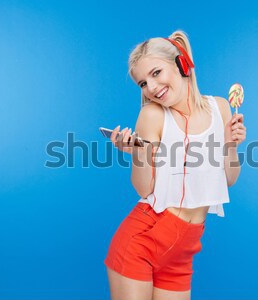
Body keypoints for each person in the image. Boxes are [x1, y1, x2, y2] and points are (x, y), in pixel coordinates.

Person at [104, 30, 246, 300]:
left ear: (182, 63)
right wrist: (137, 153)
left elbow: (229, 179)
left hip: (183, 250)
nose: (152, 87)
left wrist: (230, 144)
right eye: (143, 83)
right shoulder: (151, 115)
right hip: (143, 239)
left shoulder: (221, 109)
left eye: (156, 73)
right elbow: (144, 189)